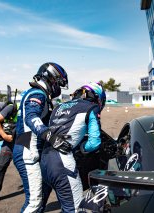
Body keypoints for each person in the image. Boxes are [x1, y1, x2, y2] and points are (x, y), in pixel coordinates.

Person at [13, 62, 71, 212]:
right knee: (34, 202)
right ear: (51, 78)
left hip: (25, 144)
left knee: (41, 195)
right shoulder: (37, 94)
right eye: (58, 83)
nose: (58, 87)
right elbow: (31, 118)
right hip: (28, 149)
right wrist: (51, 137)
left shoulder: (34, 92)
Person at [40, 82, 106, 212]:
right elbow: (94, 142)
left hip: (45, 159)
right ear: (97, 97)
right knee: (75, 209)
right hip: (62, 162)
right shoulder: (92, 107)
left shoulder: (59, 106)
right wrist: (82, 147)